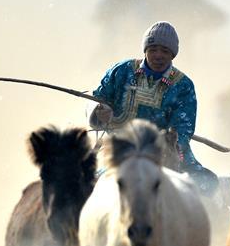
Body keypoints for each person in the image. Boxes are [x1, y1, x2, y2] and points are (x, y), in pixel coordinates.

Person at [89, 21, 219, 195]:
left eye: (165, 51)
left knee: (207, 185)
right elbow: (97, 99)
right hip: (118, 149)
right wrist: (100, 112)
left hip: (165, 153)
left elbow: (183, 128)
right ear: (145, 50)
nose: (158, 55)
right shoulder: (121, 71)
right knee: (88, 186)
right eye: (153, 49)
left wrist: (169, 147)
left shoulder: (183, 85)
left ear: (173, 55)